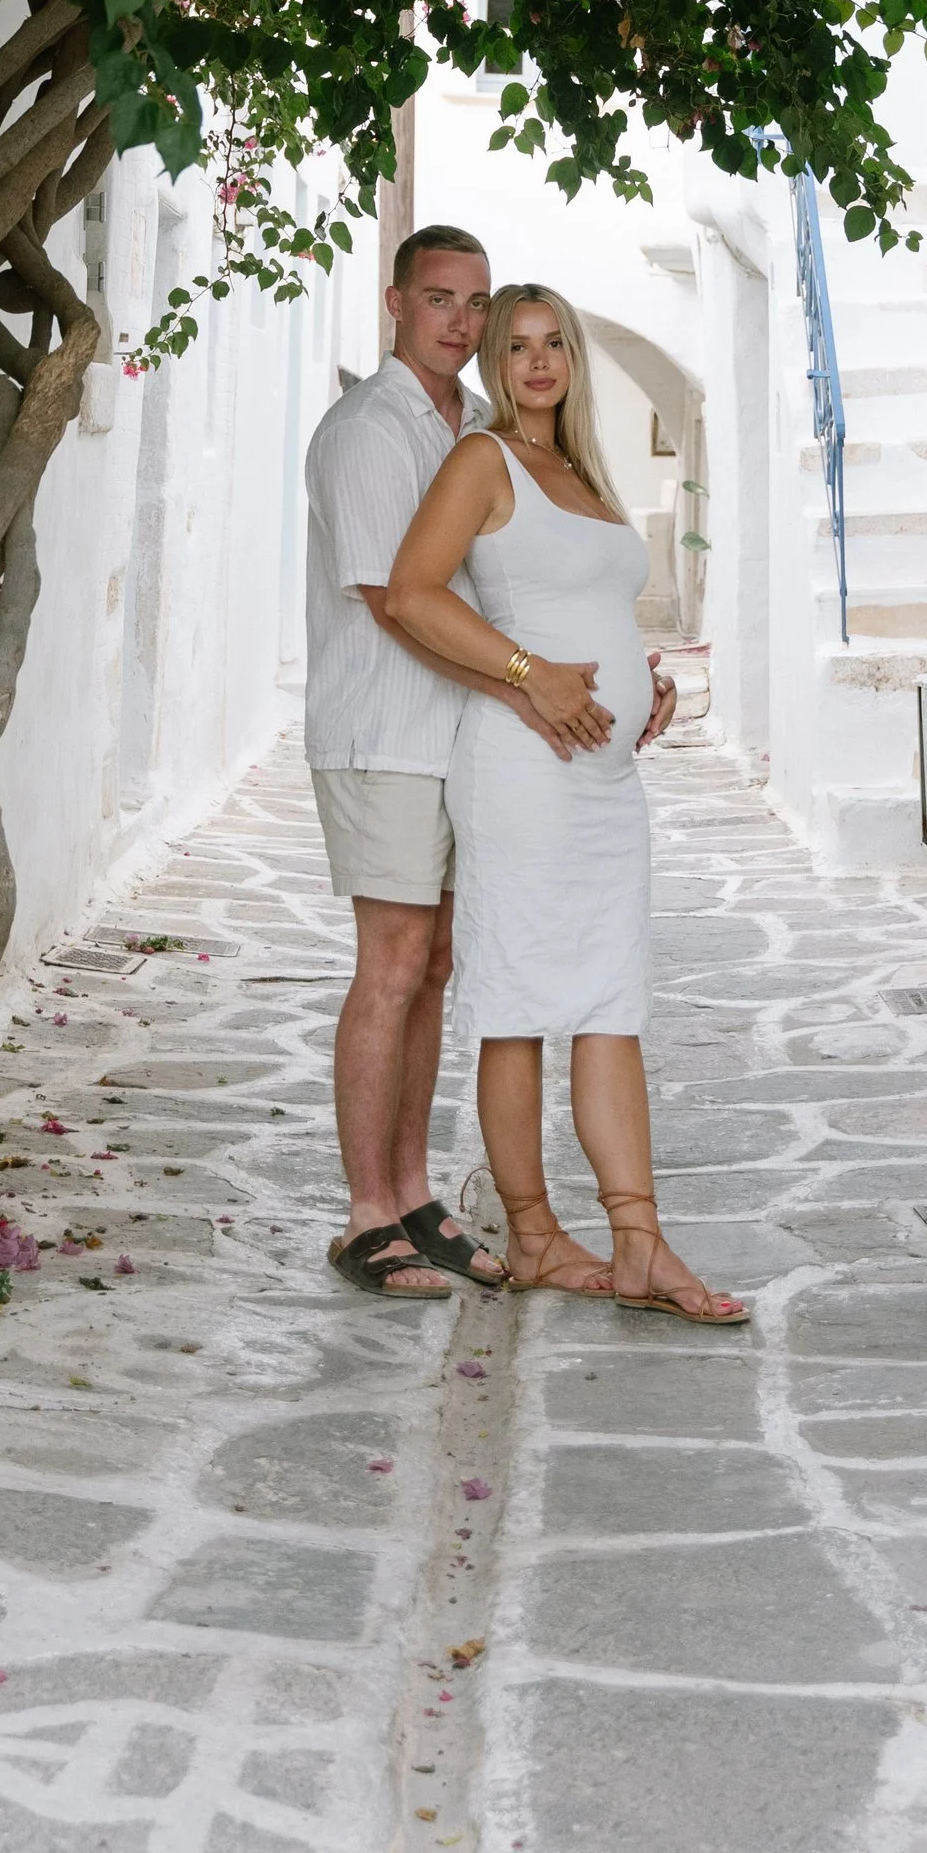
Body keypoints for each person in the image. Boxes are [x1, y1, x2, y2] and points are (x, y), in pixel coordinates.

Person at [387, 282, 748, 1325]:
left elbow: (584, 598)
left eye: (554, 345)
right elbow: (413, 592)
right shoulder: (482, 460)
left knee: (611, 1001)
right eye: (516, 346)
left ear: (573, 360)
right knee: (517, 1004)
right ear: (493, 362)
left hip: (604, 777)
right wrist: (527, 671)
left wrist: (646, 681)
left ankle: (639, 1239)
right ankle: (535, 1232)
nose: (537, 363)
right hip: (520, 770)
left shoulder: (584, 473)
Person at [303, 225, 615, 1300]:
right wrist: (524, 683)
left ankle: (413, 1191)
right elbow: (394, 600)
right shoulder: (364, 430)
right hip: (385, 731)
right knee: (390, 966)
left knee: (438, 966)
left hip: (459, 741)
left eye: (474, 301)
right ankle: (363, 1215)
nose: (460, 320)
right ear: (395, 301)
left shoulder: (477, 427)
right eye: (439, 297)